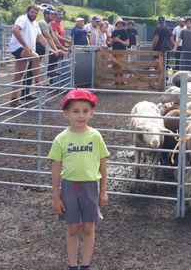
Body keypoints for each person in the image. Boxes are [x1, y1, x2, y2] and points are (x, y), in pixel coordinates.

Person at [49, 89, 109, 270]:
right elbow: (56, 169)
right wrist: (56, 197)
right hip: (69, 187)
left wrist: (104, 191)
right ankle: (72, 265)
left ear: (92, 112)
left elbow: (103, 165)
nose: (81, 115)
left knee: (89, 227)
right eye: (76, 111)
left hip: (91, 186)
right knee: (73, 228)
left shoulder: (96, 136)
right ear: (66, 113)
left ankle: (86, 265)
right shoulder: (61, 139)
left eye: (85, 111)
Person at [8, 5, 61, 106]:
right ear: (27, 11)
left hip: (26, 49)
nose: (34, 14)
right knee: (36, 58)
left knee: (19, 75)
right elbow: (15, 29)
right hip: (19, 47)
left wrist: (51, 50)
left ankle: (14, 99)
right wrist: (25, 45)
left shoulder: (35, 24)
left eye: (36, 13)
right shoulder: (22, 19)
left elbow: (41, 38)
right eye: (32, 12)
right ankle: (37, 82)